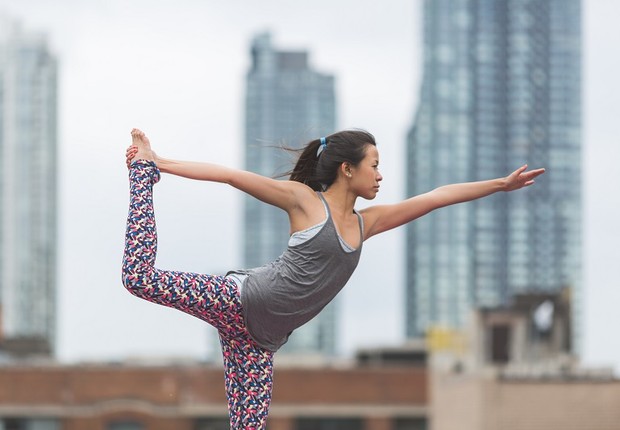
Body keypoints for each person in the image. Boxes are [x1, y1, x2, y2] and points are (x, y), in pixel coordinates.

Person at [122, 128, 544, 429]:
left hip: (259, 342)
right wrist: (159, 162)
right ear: (347, 169)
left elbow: (434, 198)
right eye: (374, 166)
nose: (380, 176)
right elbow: (232, 176)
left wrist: (500, 185)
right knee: (137, 277)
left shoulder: (367, 224)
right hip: (239, 299)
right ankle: (142, 174)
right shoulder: (304, 202)